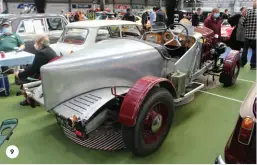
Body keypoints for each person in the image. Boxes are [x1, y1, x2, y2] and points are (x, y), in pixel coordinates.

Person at [15, 36, 57, 106]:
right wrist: (24, 69)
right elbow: (36, 65)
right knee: (25, 73)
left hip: (44, 77)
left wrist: (19, 75)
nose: (34, 45)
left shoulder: (41, 53)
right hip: (51, 74)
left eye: (35, 43)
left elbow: (32, 70)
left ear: (40, 43)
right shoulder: (49, 50)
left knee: (23, 78)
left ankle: (31, 99)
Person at [241, 1, 256, 70]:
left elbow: (242, 23)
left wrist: (247, 26)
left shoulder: (248, 12)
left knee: (245, 49)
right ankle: (253, 65)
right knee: (254, 50)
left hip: (247, 35)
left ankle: (242, 63)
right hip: (255, 37)